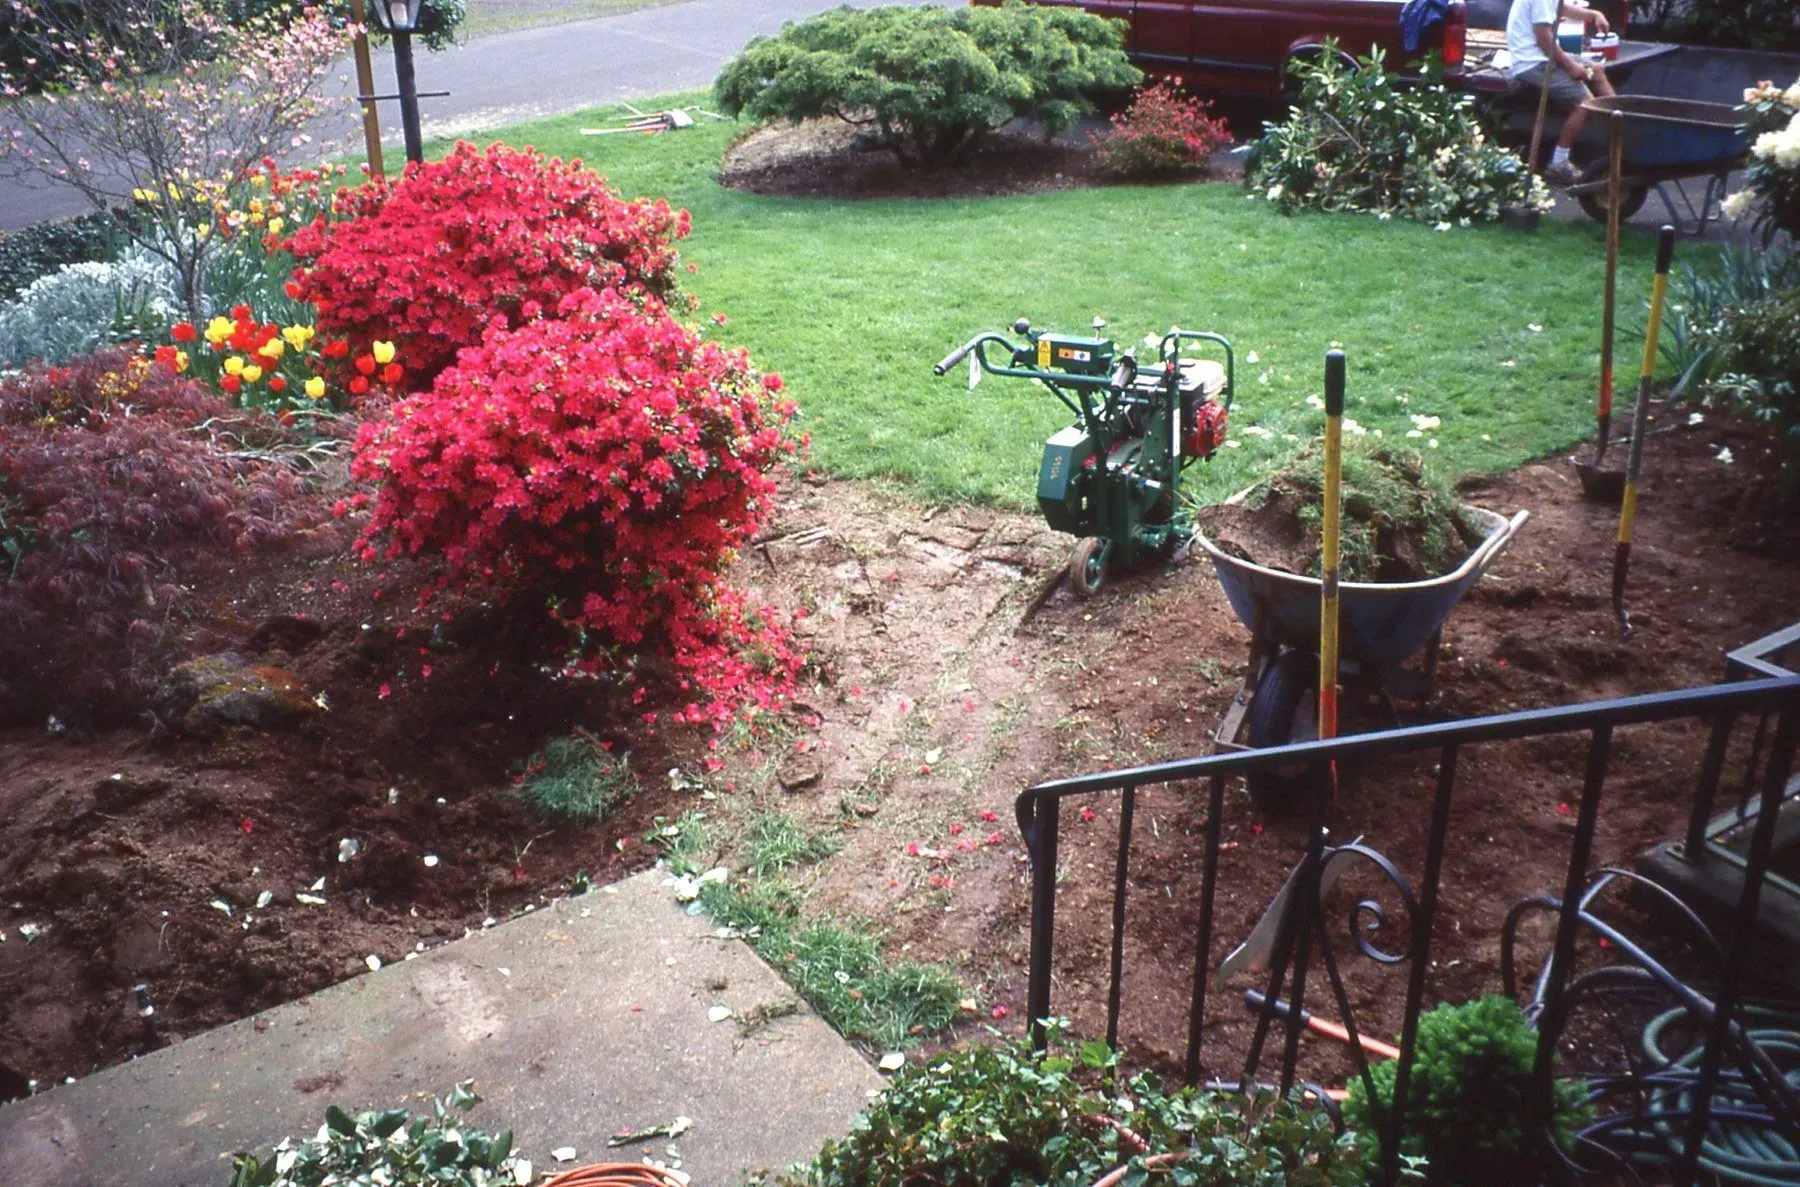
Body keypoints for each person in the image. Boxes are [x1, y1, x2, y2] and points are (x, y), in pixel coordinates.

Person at [1507, 0, 1616, 184]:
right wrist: (1571, 66)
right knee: (1584, 104)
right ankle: (1558, 164)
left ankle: (1624, 128)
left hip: (1542, 56)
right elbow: (1543, 37)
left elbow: (1562, 9)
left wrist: (1595, 14)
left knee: (1596, 69)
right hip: (1533, 63)